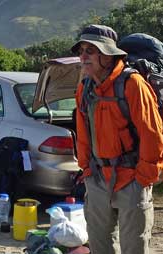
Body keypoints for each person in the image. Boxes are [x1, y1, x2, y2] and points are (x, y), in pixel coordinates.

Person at [71, 24, 163, 254]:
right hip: (98, 179)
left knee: (134, 249)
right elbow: (83, 133)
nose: (83, 56)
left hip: (132, 180)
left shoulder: (133, 84)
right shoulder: (85, 88)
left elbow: (152, 134)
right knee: (100, 247)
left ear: (107, 55)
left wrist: (143, 178)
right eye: (81, 50)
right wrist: (87, 170)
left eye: (90, 50)